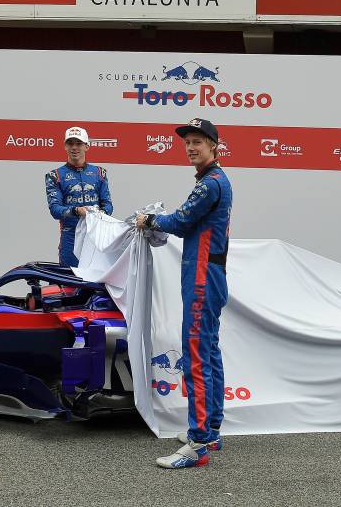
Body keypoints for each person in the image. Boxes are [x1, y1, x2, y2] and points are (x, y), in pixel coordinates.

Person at [136, 118, 232, 469]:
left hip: (203, 278)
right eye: (187, 142)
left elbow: (178, 222)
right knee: (209, 351)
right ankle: (213, 429)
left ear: (214, 145)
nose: (191, 147)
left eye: (198, 142)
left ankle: (199, 443)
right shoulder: (213, 180)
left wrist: (148, 220)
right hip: (210, 275)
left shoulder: (210, 184)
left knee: (196, 356)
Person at [45, 126, 114, 267]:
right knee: (69, 284)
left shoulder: (100, 173)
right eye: (70, 143)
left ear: (86, 146)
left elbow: (108, 205)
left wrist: (100, 214)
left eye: (79, 143)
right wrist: (76, 211)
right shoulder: (54, 176)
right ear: (65, 146)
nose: (74, 147)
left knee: (96, 285)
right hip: (70, 238)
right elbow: (55, 210)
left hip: (96, 237)